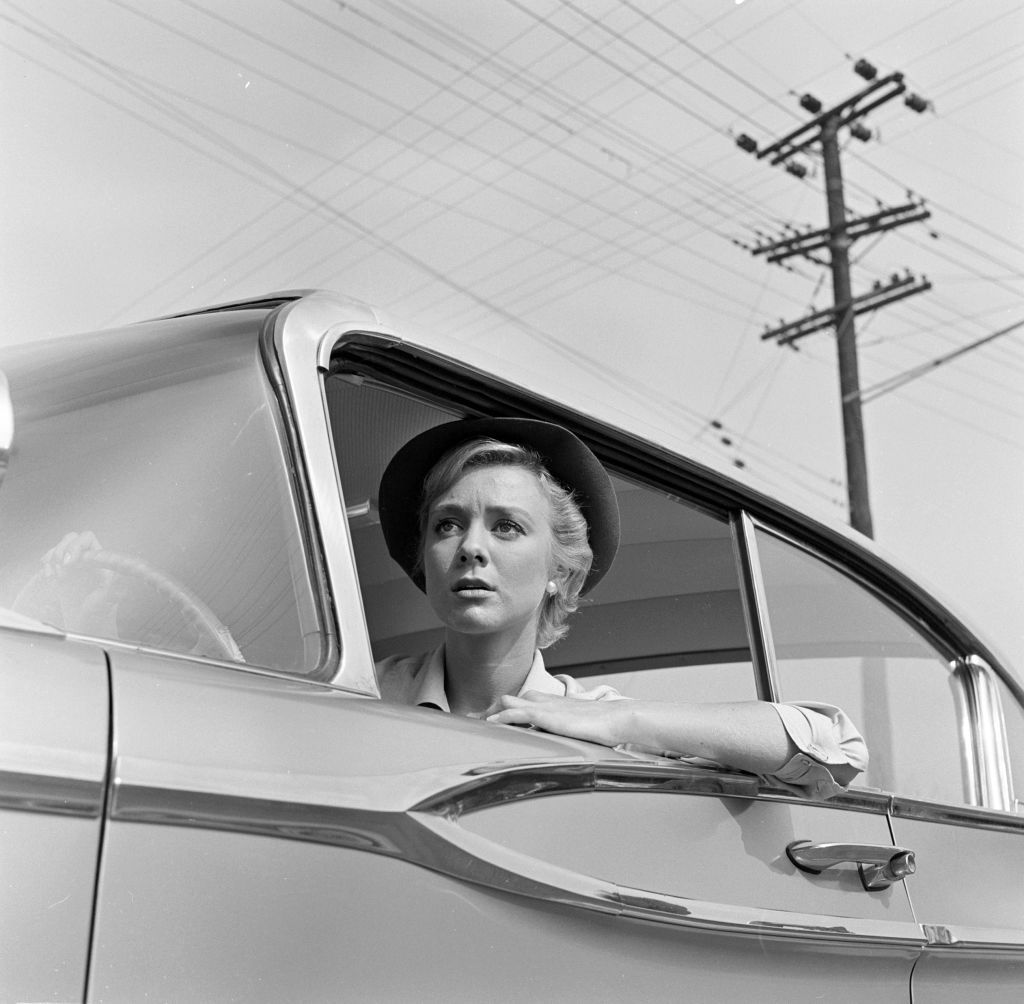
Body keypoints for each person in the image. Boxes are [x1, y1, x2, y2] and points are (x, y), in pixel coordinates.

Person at [375, 417, 867, 800]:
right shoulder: (355, 688)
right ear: (425, 560)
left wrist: (622, 723)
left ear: (559, 573)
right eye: (446, 525)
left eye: (507, 526)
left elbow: (837, 747)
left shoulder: (594, 719)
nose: (470, 547)